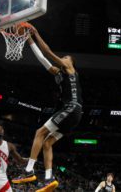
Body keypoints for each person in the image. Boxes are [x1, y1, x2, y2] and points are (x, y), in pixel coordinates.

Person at [12, 23, 83, 191]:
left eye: (66, 58)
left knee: (39, 132)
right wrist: (28, 39)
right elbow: (42, 59)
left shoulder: (70, 69)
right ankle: (49, 178)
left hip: (71, 108)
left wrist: (35, 32)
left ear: (71, 63)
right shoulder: (59, 74)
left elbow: (48, 52)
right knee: (47, 143)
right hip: (75, 115)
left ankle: (29, 170)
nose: (63, 59)